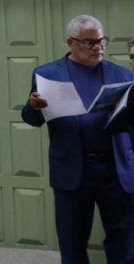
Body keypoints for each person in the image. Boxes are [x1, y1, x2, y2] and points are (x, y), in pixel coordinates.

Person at [22, 14, 134, 264]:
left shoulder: (123, 74)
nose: (99, 47)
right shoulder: (47, 74)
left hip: (116, 171)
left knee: (124, 242)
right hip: (73, 170)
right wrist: (34, 106)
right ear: (70, 42)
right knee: (72, 243)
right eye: (90, 42)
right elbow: (31, 119)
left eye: (102, 41)